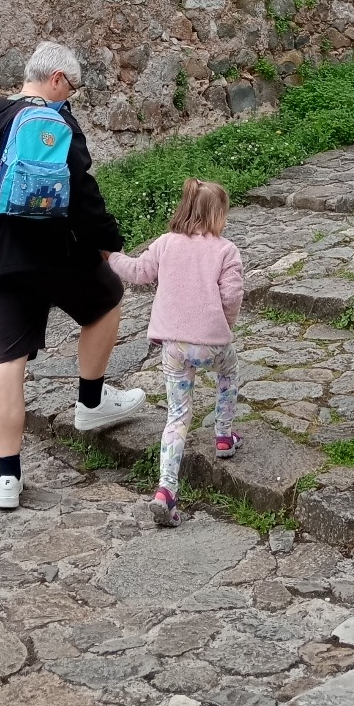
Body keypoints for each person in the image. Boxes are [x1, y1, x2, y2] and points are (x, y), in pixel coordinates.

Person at [0, 41, 146, 511]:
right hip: (54, 254)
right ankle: (90, 401)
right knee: (106, 299)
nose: (72, 97)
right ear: (58, 78)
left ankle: (6, 477)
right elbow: (82, 193)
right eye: (73, 87)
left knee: (7, 359)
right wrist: (109, 242)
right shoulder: (56, 120)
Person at [108, 178, 243, 528]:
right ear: (216, 215)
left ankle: (166, 490)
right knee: (229, 374)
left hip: (174, 348)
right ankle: (224, 435)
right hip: (212, 344)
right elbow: (231, 296)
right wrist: (223, 328)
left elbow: (138, 273)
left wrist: (110, 257)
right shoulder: (226, 250)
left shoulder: (165, 244)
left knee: (178, 417)